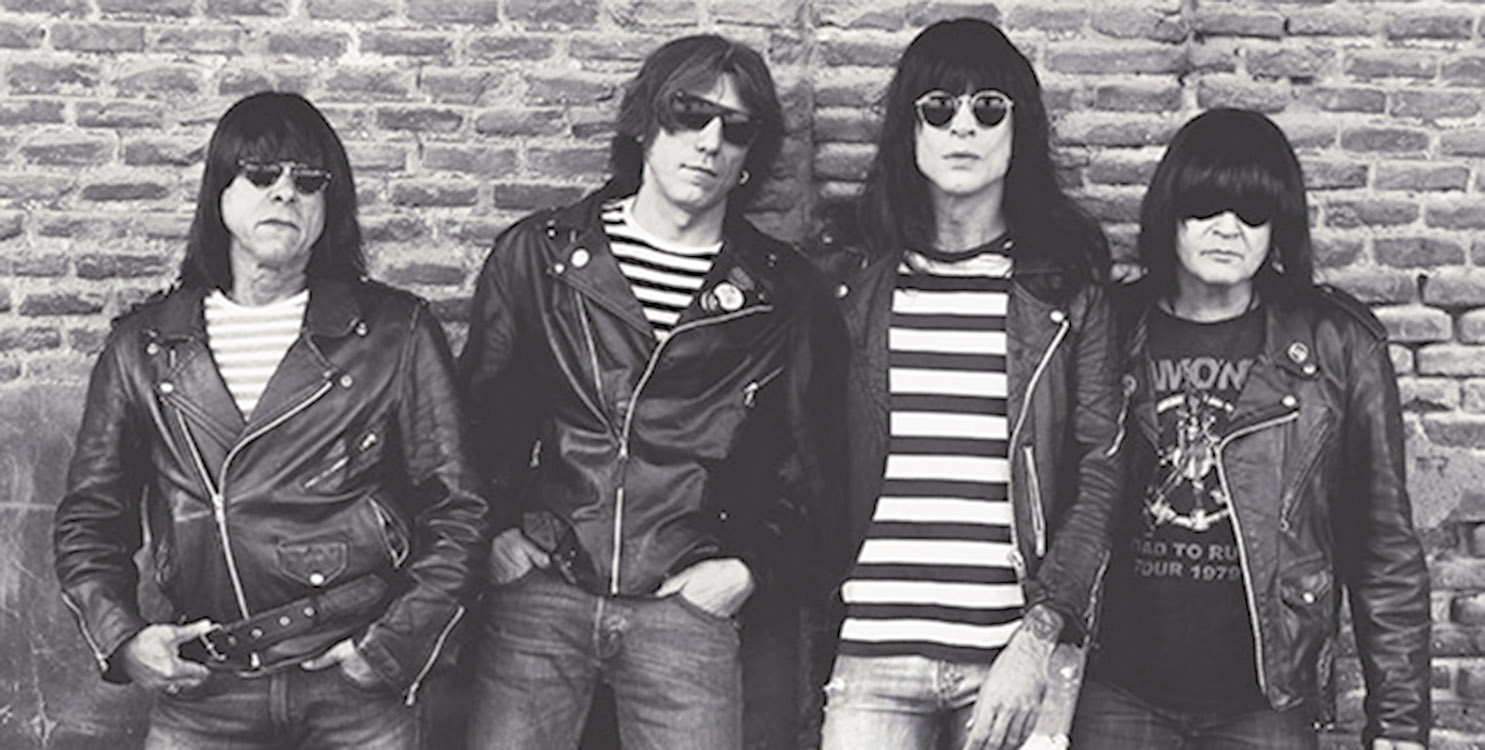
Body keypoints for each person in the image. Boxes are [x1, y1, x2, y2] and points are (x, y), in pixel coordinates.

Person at [53, 91, 489, 750]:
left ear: (329, 206)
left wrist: (392, 648)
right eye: (260, 174)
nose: (285, 192)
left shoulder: (393, 333)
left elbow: (458, 508)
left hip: (352, 683)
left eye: (309, 181)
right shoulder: (146, 346)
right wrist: (124, 639)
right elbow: (91, 515)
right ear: (220, 193)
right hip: (205, 684)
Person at [457, 34, 837, 750]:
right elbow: (475, 421)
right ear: (644, 123)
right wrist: (498, 536)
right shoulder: (541, 256)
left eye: (736, 128)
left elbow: (808, 465)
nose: (709, 141)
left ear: (751, 155)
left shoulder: (782, 293)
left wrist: (746, 570)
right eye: (689, 114)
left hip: (686, 602)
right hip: (543, 589)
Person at [1071, 108, 1431, 750]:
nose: (1227, 228)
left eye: (1252, 211)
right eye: (1205, 207)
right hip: (1115, 691)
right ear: (1170, 213)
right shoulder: (1109, 327)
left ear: (1278, 226)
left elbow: (1383, 549)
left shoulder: (1337, 346)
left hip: (1266, 702)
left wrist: (1399, 728)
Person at [809, 17, 1123, 750]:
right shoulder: (849, 286)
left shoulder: (1064, 294)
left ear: (1018, 132)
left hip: (1017, 651)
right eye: (938, 108)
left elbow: (1101, 472)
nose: (963, 127)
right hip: (871, 645)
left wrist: (1039, 635)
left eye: (988, 109)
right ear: (909, 129)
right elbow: (806, 458)